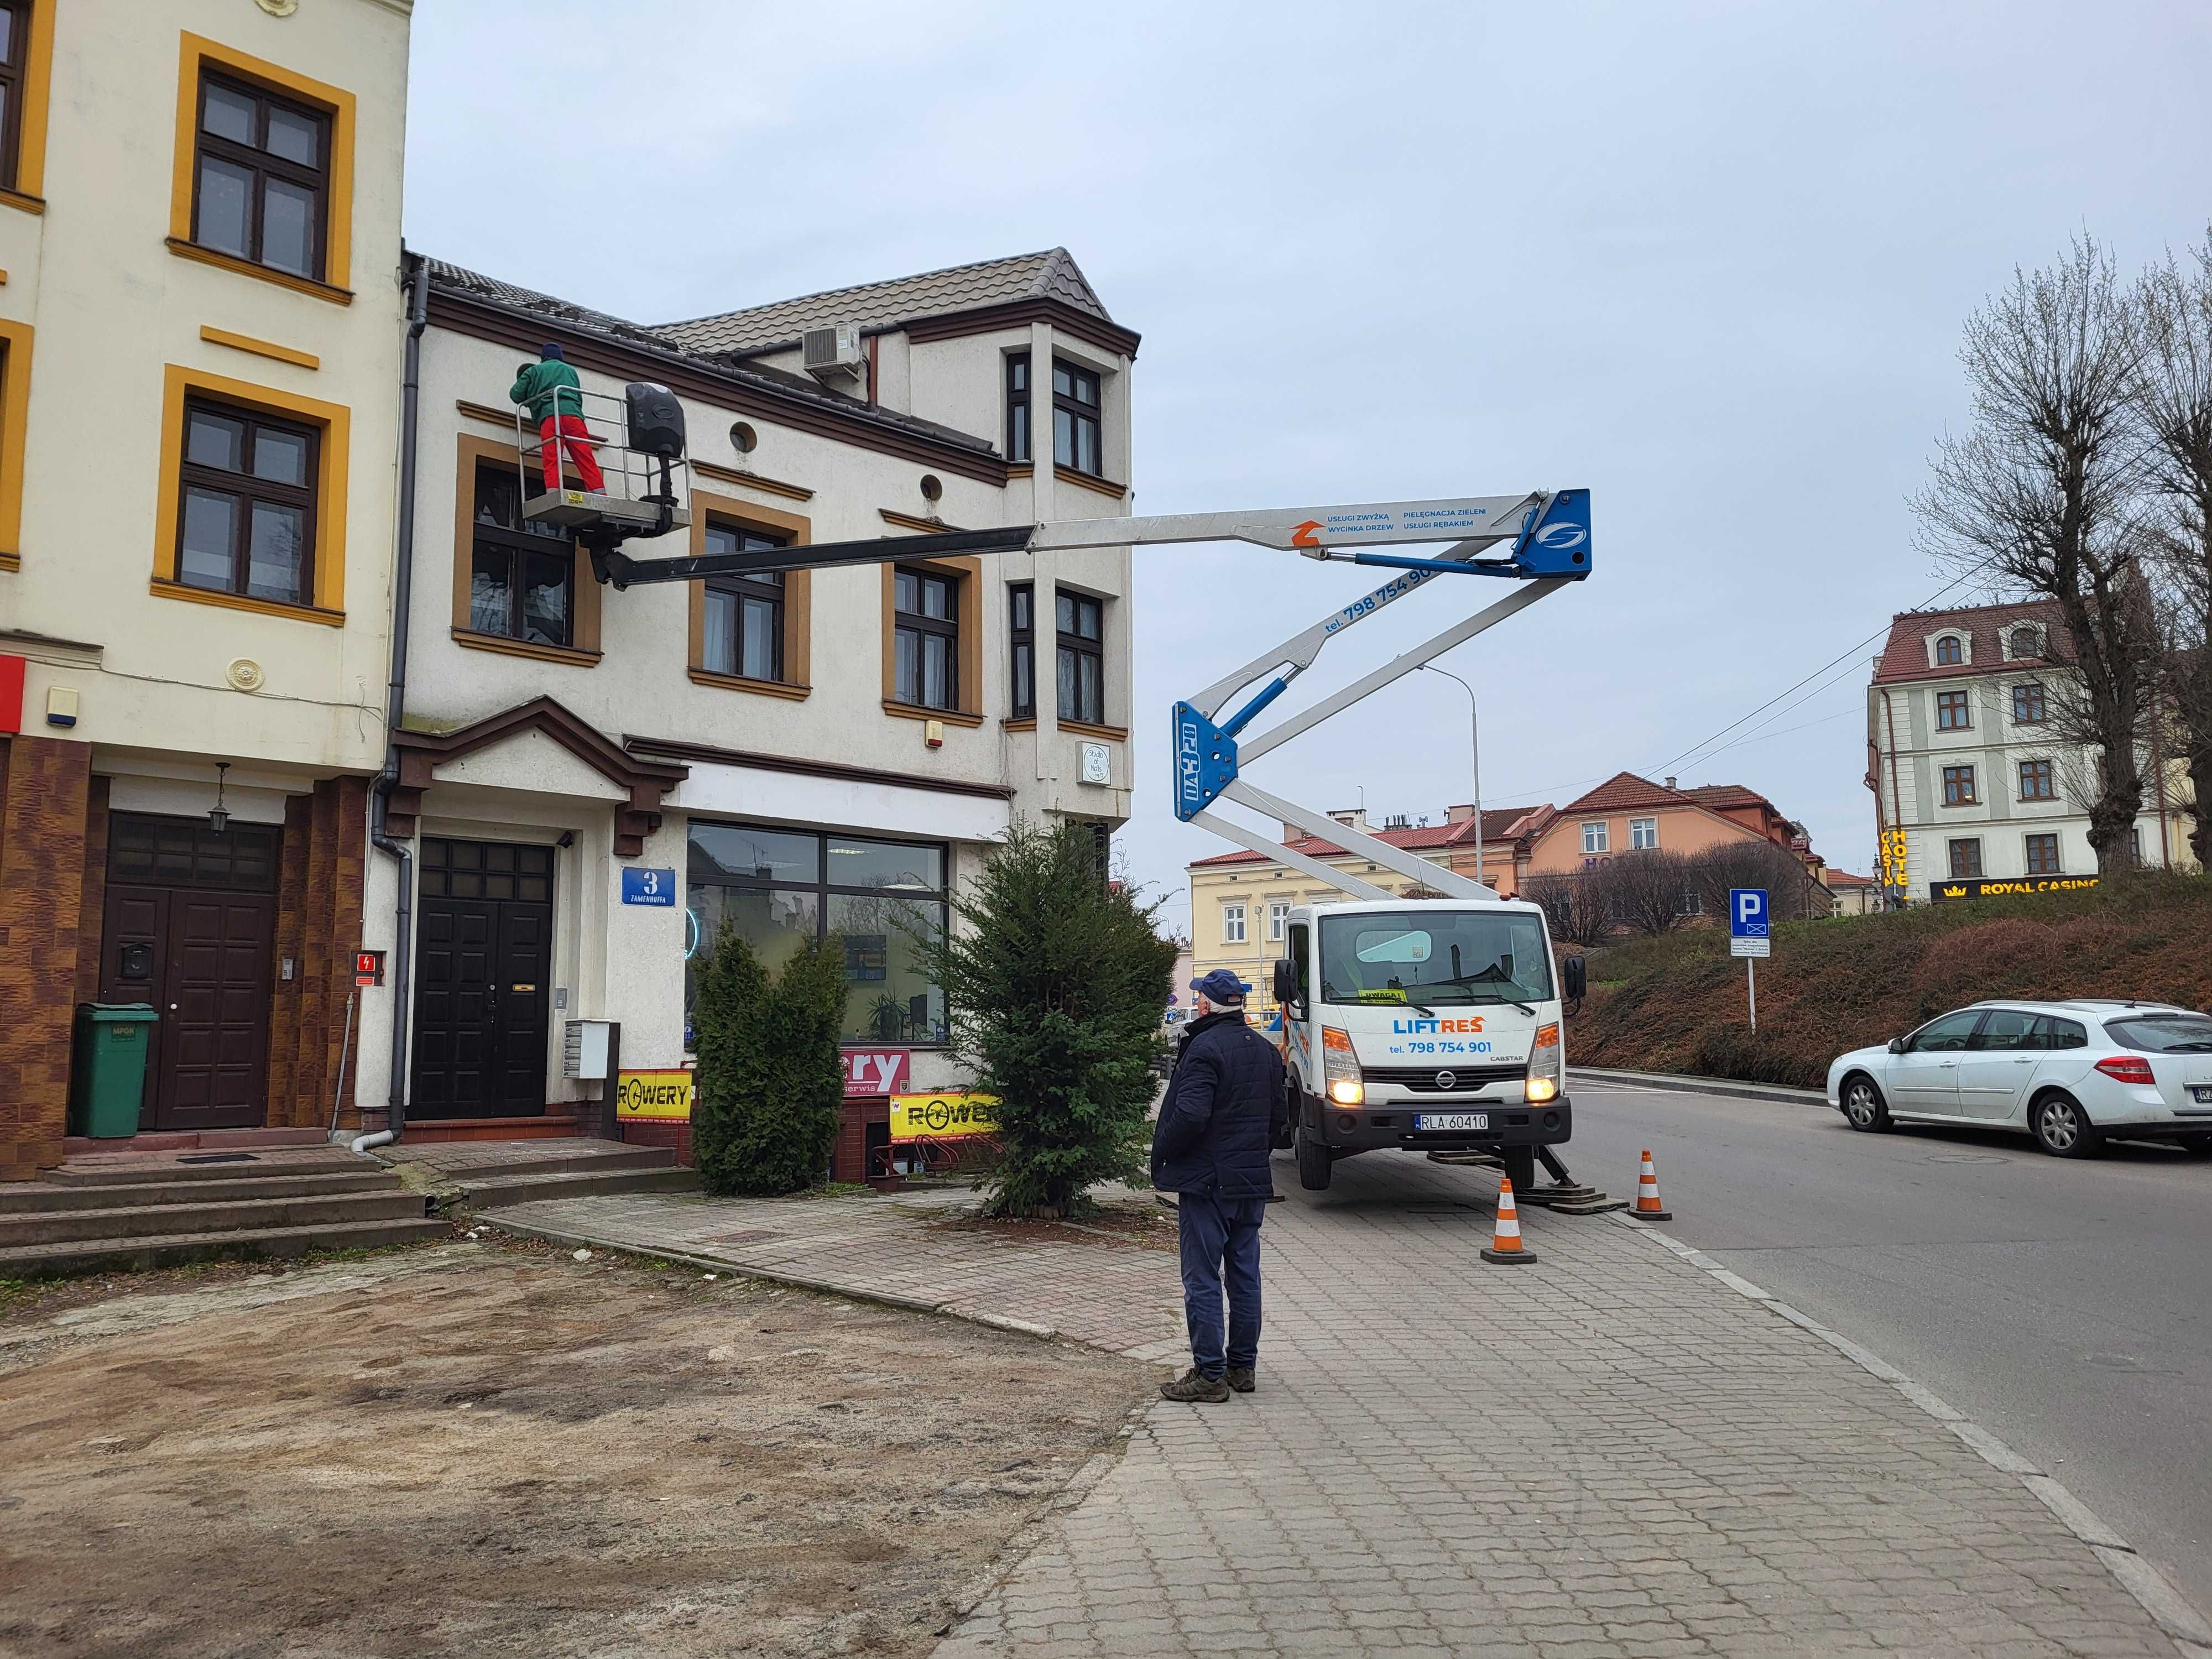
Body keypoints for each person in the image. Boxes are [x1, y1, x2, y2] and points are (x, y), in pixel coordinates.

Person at [1151, 967, 1287, 1403]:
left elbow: (1190, 1115)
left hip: (1208, 1183)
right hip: (1249, 1183)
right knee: (1245, 1275)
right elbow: (1279, 1122)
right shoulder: (1266, 1053)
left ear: (1207, 1004)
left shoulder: (1204, 1049)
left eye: (1200, 997)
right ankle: (1242, 1368)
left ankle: (1209, 1374)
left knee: (1203, 1277)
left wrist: (1164, 1150)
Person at [509, 342, 604, 492]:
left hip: (550, 417)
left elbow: (516, 394)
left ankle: (553, 493)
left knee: (551, 458)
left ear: (543, 358)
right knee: (585, 458)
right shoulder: (570, 371)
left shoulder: (534, 371)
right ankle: (600, 493)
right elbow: (578, 399)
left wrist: (532, 395)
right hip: (574, 418)